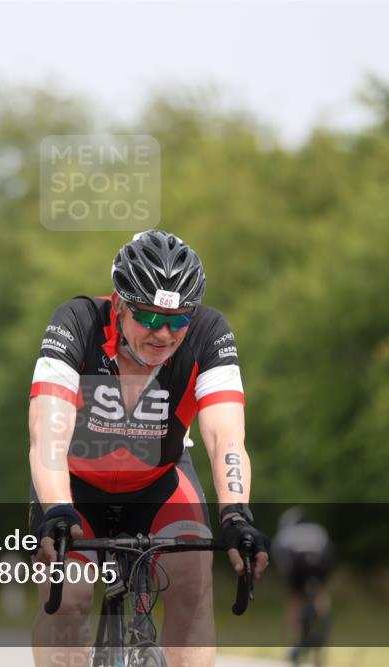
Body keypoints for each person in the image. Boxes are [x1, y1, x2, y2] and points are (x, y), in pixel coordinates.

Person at [29, 230, 269, 667]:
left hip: (160, 482)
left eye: (178, 320)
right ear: (120, 304)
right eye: (149, 318)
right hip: (75, 485)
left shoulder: (210, 334)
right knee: (70, 597)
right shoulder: (76, 322)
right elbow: (47, 432)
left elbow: (224, 436)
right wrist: (56, 509)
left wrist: (236, 513)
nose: (164, 333)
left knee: (193, 587)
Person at [271, 507, 334, 664]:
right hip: (321, 562)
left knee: (295, 599)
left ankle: (294, 643)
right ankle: (323, 623)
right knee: (320, 593)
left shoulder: (284, 534)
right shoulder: (317, 529)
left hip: (297, 564)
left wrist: (289, 580)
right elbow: (330, 551)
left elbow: (281, 561)